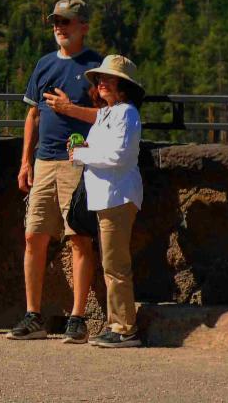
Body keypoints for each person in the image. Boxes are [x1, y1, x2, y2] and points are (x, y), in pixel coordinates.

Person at [9, 0, 102, 343]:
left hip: (79, 161)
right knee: (34, 237)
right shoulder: (44, 64)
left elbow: (107, 116)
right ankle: (33, 315)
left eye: (66, 22)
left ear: (83, 27)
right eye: (56, 23)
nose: (59, 28)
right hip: (44, 162)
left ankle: (78, 319)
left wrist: (70, 108)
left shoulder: (96, 67)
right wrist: (24, 161)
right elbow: (32, 114)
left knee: (79, 238)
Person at [69, 55, 145, 348]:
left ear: (123, 86)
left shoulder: (126, 113)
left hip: (117, 196)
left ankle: (125, 327)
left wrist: (82, 155)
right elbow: (102, 153)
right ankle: (118, 324)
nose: (101, 82)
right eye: (100, 78)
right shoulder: (106, 114)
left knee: (115, 263)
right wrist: (83, 150)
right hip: (107, 196)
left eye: (108, 79)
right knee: (110, 262)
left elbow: (118, 156)